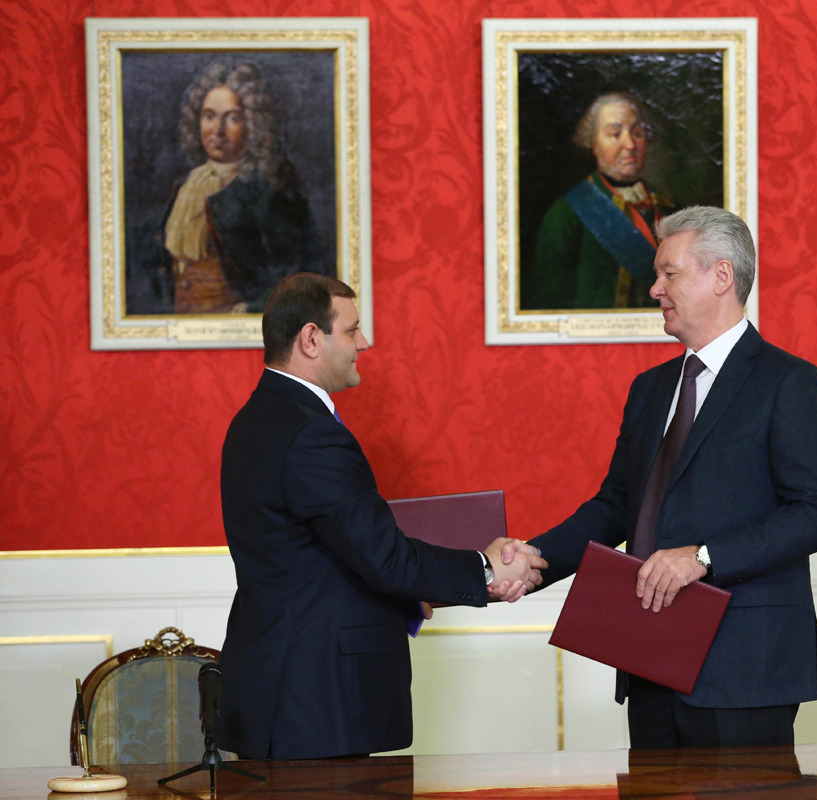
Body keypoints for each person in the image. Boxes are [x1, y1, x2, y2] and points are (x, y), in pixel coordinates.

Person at [504, 207, 817, 748]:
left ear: (721, 275)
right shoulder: (650, 388)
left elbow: (816, 514)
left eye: (669, 273)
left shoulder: (789, 382)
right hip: (650, 656)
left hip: (745, 669)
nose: (654, 289)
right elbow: (616, 506)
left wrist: (703, 557)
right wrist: (531, 560)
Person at [217, 272, 546, 760]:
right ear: (311, 338)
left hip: (284, 688)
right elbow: (384, 559)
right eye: (351, 330)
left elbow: (324, 558)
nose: (364, 343)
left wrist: (414, 591)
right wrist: (485, 567)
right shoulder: (311, 434)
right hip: (315, 701)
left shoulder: (257, 418)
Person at [126, 61, 330, 315]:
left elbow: (303, 275)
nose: (218, 130)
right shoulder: (186, 186)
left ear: (253, 124)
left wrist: (253, 309)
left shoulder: (269, 190)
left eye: (232, 118)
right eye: (209, 116)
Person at [525, 92, 675, 310]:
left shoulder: (670, 207)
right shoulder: (565, 214)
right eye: (615, 134)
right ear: (593, 143)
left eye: (637, 133)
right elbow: (547, 304)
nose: (630, 144)